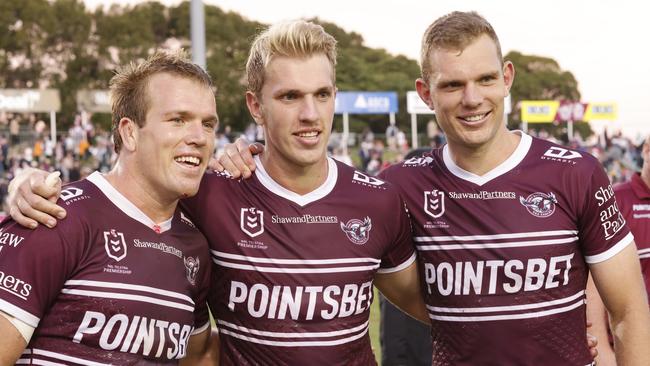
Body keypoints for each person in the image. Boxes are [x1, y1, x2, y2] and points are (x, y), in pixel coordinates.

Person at [207, 11, 649, 365]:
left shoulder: (575, 172)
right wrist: (246, 153)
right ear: (425, 92)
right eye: (453, 85)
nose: (472, 99)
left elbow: (629, 309)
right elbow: (430, 303)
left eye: (486, 80)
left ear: (507, 78)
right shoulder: (397, 187)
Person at [6, 20, 428, 365]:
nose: (309, 114)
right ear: (256, 107)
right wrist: (26, 183)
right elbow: (120, 191)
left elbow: (201, 350)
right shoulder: (204, 196)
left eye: (206, 125)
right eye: (289, 96)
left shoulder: (377, 200)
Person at [0, 51, 219, 364]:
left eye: (208, 124)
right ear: (129, 132)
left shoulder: (194, 247)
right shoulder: (53, 217)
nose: (199, 137)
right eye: (178, 120)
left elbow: (198, 358)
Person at [586, 135, 650, 365]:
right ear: (646, 150)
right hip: (631, 351)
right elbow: (593, 285)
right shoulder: (614, 199)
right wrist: (603, 351)